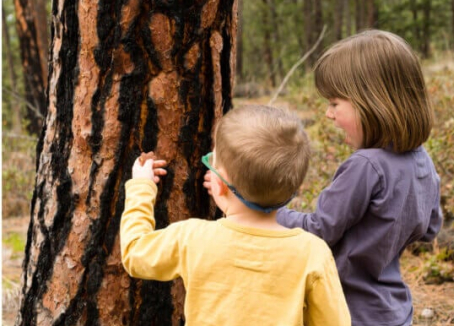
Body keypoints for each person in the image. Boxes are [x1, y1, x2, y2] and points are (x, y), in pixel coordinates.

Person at [120, 105, 351, 325]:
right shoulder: (312, 253)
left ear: (218, 185)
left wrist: (142, 186)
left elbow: (134, 252)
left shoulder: (193, 238)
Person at [271, 30, 442, 326]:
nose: (328, 114)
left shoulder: (366, 165)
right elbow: (430, 227)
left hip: (350, 312)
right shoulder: (420, 158)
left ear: (373, 101)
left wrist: (268, 214)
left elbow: (319, 229)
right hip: (393, 310)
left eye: (335, 103)